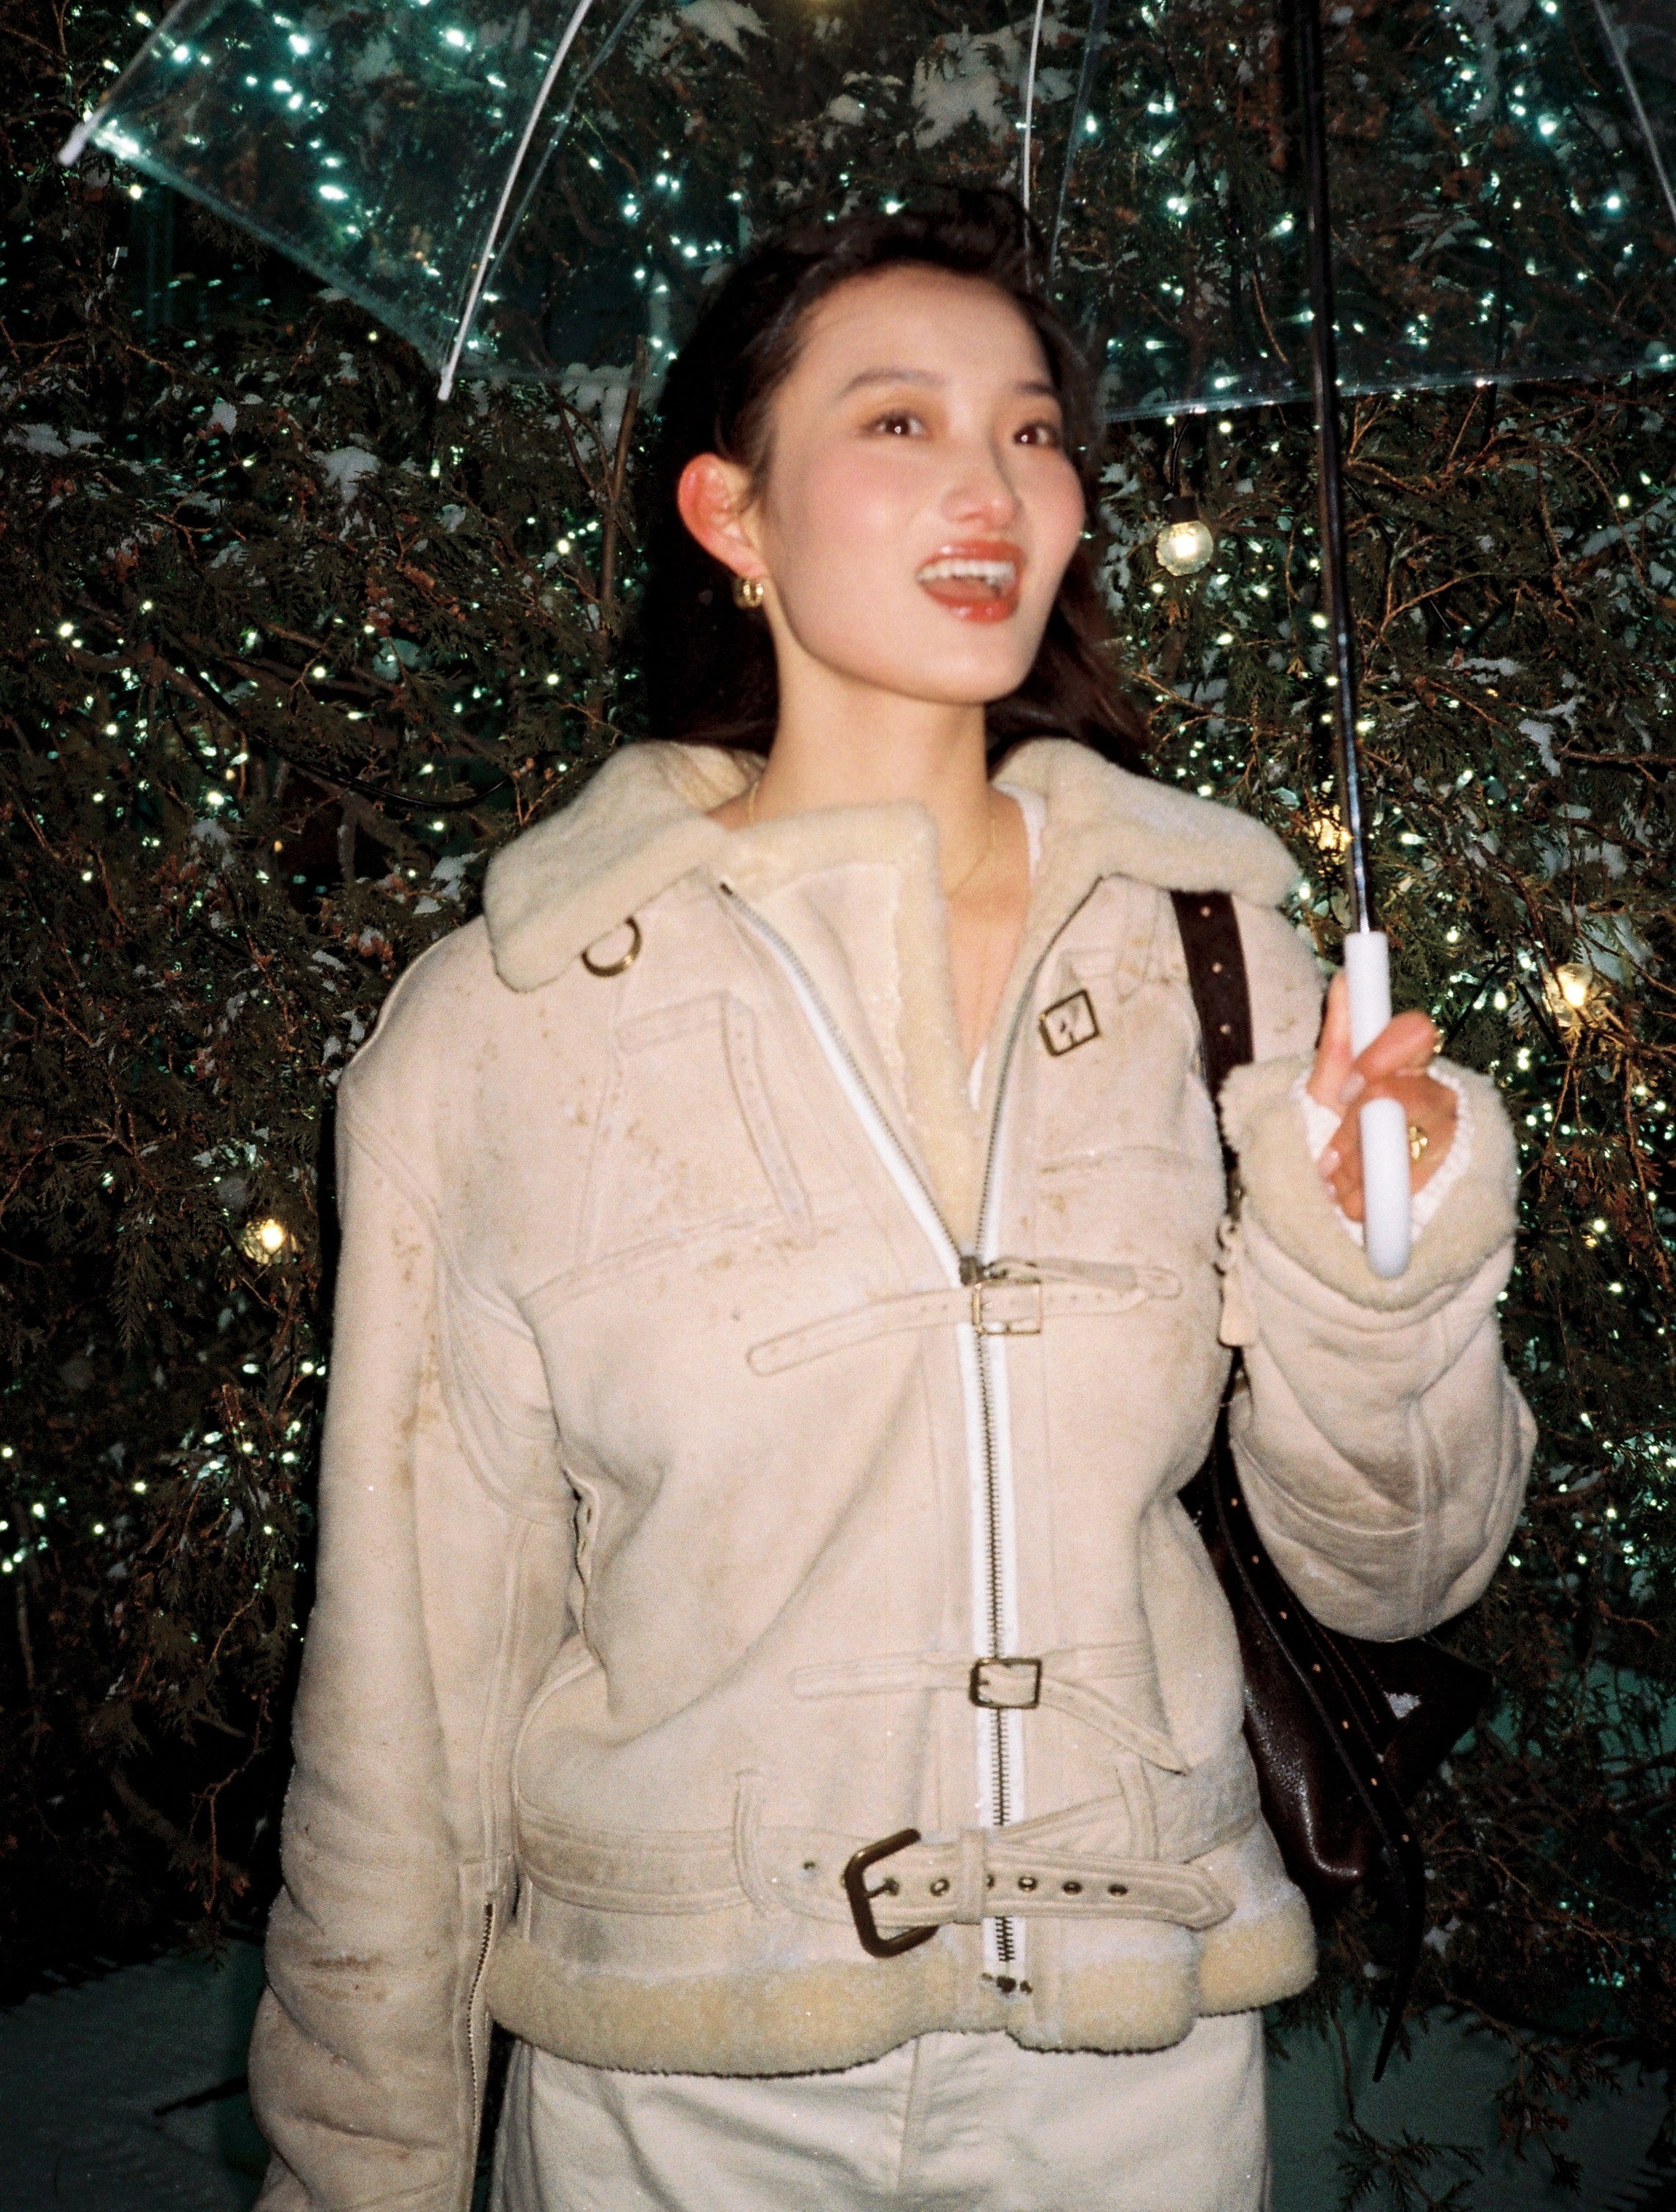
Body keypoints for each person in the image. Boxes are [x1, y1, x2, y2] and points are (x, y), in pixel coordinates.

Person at [248, 197, 1534, 2212]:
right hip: (675, 2090)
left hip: (1130, 2079)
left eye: (1032, 431)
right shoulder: (509, 1028)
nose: (992, 488)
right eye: (900, 421)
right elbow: (407, 1706)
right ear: (732, 516)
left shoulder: (1222, 967)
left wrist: (1381, 1262)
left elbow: (1403, 1574)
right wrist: (366, 2177)